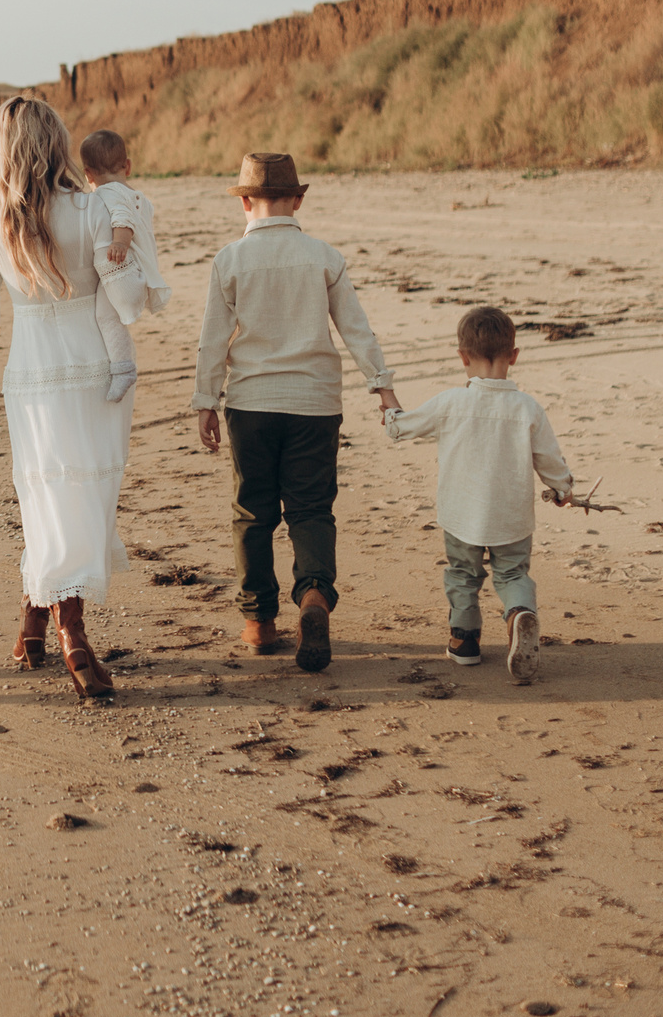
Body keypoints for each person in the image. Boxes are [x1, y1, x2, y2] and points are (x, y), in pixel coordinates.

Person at [0, 98, 150, 701]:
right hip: (94, 365)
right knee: (84, 493)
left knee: (46, 492)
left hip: (33, 370)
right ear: (56, 143)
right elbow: (124, 294)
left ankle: (34, 626)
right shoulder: (92, 207)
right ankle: (72, 631)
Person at [189, 152, 397, 672]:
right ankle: (313, 598)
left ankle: (259, 621)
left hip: (250, 403)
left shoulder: (229, 261)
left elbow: (212, 340)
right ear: (299, 199)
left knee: (253, 512)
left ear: (243, 202)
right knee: (310, 508)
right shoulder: (324, 256)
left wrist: (205, 401)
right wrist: (382, 388)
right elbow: (356, 329)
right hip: (315, 403)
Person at [381, 304, 575, 684]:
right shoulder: (527, 408)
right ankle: (520, 612)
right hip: (512, 516)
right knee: (512, 573)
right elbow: (549, 459)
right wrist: (563, 488)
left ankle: (464, 642)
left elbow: (401, 429)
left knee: (463, 575)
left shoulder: (451, 402)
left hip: (462, 514)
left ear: (462, 357)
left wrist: (389, 406)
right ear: (514, 356)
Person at [80, 128, 174, 404]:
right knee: (112, 319)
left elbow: (122, 218)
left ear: (88, 175)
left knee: (106, 319)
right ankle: (122, 362)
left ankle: (123, 369)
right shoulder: (139, 197)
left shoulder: (105, 194)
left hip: (122, 273)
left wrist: (120, 242)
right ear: (128, 166)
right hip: (139, 273)